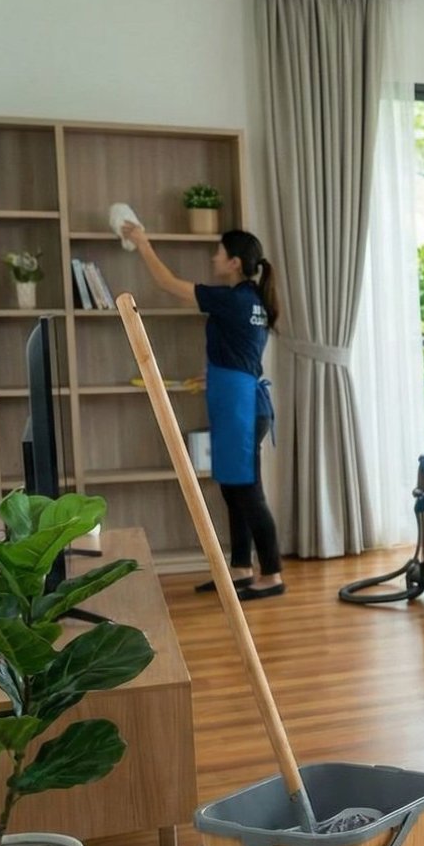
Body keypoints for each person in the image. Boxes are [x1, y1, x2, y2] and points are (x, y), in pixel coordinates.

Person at [123, 223, 285, 601]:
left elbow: (168, 283)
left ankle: (272, 574)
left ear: (233, 262)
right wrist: (216, 374)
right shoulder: (252, 301)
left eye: (218, 252)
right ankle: (242, 570)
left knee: (248, 493)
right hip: (239, 400)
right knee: (232, 488)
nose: (213, 257)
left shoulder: (235, 300)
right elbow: (243, 353)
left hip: (242, 408)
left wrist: (143, 243)